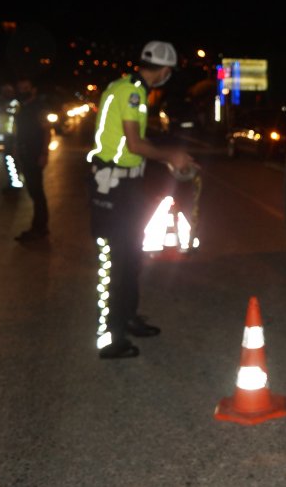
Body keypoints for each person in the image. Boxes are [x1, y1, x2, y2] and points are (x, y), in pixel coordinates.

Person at [87, 41, 197, 359]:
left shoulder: (127, 88)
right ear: (164, 71)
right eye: (169, 72)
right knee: (115, 262)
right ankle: (109, 337)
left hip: (126, 186)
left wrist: (170, 159)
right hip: (112, 186)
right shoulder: (133, 93)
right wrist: (171, 155)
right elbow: (134, 144)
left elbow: (134, 145)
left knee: (131, 257)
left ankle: (128, 318)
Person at [12, 77, 51, 241]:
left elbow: (47, 131)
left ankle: (39, 227)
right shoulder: (21, 108)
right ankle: (39, 227)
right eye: (20, 88)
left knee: (37, 192)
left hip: (35, 155)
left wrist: (44, 154)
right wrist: (15, 149)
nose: (23, 91)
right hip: (24, 153)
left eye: (26, 87)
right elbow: (18, 131)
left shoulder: (39, 108)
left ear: (33, 89)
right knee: (33, 191)